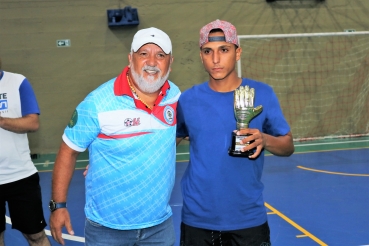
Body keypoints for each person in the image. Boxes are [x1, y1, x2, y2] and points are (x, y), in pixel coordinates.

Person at [49, 27, 180, 246]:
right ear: (130, 58)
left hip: (159, 227)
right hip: (107, 231)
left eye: (160, 55)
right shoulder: (98, 102)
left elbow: (172, 134)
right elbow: (68, 150)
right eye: (143, 54)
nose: (151, 62)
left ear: (170, 62)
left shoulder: (175, 96)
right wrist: (58, 206)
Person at [176, 20, 294, 245]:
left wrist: (264, 139)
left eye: (224, 50)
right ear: (201, 56)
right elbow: (165, 143)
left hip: (247, 219)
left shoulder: (262, 93)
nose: (216, 59)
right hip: (197, 220)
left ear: (237, 53)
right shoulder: (188, 100)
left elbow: (287, 146)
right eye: (208, 51)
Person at [0, 58, 51, 245]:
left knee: (36, 235)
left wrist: (2, 120)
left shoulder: (18, 82)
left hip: (20, 176)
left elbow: (33, 122)